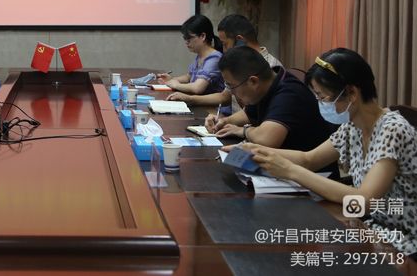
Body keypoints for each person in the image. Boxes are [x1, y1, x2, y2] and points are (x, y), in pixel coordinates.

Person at [244, 48, 416, 257]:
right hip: (370, 226)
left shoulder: (392, 129)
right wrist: (256, 150)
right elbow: (309, 159)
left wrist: (290, 171)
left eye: (322, 97)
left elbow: (365, 200)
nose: (321, 104)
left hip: (402, 240)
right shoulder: (353, 126)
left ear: (352, 93)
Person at [206, 46, 335, 154]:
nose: (232, 92)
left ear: (253, 81)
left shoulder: (290, 94)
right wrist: (224, 121)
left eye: (232, 86)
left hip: (311, 172)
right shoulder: (268, 84)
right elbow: (248, 113)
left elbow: (267, 139)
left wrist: (243, 131)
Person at [168, 14, 282, 115]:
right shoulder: (238, 62)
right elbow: (225, 96)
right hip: (235, 123)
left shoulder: (270, 67)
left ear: (240, 41)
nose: (224, 50)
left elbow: (258, 113)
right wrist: (190, 99)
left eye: (225, 44)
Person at [156, 14, 224, 96]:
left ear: (202, 36)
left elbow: (197, 88)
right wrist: (171, 80)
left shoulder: (214, 58)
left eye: (189, 38)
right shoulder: (200, 56)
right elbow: (189, 77)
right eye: (185, 38)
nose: (186, 42)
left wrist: (176, 85)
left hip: (210, 104)